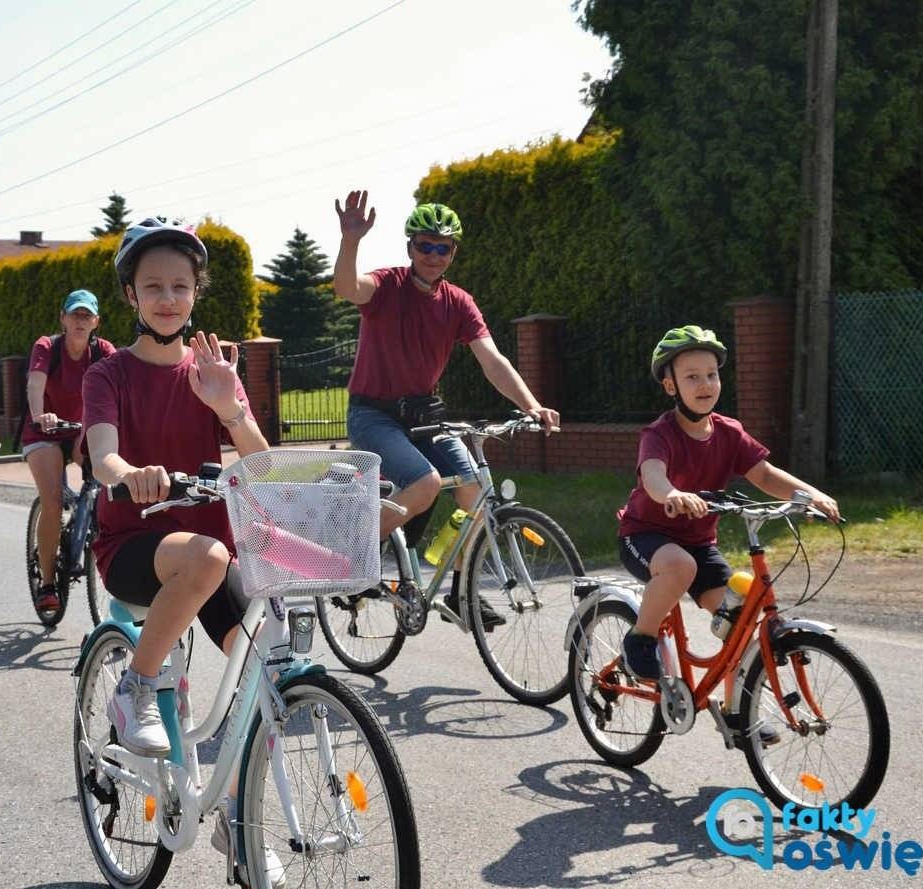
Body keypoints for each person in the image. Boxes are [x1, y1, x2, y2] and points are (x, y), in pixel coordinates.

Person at [83, 217, 284, 887]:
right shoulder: (109, 373)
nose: (167, 298)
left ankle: (238, 814)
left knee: (267, 676)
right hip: (136, 542)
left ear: (196, 292)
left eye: (180, 285)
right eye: (153, 286)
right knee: (207, 558)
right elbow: (102, 451)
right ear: (131, 296)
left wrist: (230, 407)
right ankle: (136, 685)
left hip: (210, 548)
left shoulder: (212, 369)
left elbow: (261, 464)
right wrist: (127, 472)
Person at [333, 191, 561, 623]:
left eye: (443, 248)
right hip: (373, 413)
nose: (433, 255)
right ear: (410, 248)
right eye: (425, 245)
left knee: (475, 492)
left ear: (453, 252)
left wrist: (532, 405)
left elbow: (493, 361)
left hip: (424, 414)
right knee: (424, 484)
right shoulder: (388, 285)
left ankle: (458, 588)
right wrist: (351, 240)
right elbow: (347, 287)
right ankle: (351, 555)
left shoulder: (458, 302)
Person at [616, 325, 840, 682]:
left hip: (699, 544)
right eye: (692, 377)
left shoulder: (729, 432)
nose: (705, 384)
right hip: (645, 536)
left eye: (711, 374)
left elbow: (765, 476)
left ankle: (740, 710)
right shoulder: (659, 434)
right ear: (671, 386)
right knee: (680, 567)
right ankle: (640, 639)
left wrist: (811, 494)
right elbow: (653, 477)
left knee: (740, 617)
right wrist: (672, 495)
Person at [24, 288, 115, 612]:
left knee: (104, 484)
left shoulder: (103, 351)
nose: (80, 321)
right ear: (63, 318)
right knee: (52, 500)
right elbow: (35, 384)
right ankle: (48, 584)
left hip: (82, 428)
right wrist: (39, 417)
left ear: (96, 322)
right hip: (45, 432)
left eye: (86, 315)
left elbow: (119, 389)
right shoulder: (47, 347)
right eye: (74, 314)